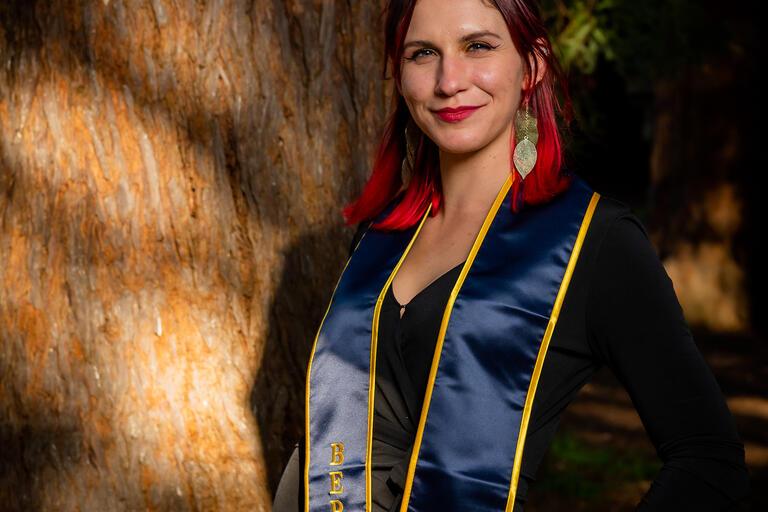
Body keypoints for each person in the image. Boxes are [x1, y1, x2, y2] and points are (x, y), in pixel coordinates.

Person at [273, 0, 750, 510]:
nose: (448, 80)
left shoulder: (594, 241)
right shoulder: (380, 236)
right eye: (422, 53)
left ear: (533, 64)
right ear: (400, 74)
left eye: (478, 46)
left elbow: (709, 461)